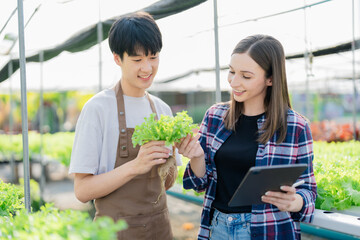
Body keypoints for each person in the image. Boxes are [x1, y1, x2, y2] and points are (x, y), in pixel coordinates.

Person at [176, 34, 317, 240]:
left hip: (268, 230)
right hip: (218, 227)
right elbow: (200, 184)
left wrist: (296, 202)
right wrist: (196, 157)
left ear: (270, 79)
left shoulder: (295, 126)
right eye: (231, 72)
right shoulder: (215, 116)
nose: (234, 81)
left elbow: (308, 189)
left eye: (246, 76)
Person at [69, 12, 180, 240]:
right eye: (137, 60)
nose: (147, 68)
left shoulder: (162, 109)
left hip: (161, 228)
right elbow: (82, 191)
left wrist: (180, 154)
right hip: (115, 232)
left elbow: (167, 184)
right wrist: (135, 166)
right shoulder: (98, 109)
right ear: (117, 59)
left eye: (153, 57)